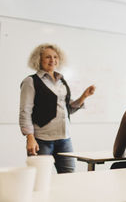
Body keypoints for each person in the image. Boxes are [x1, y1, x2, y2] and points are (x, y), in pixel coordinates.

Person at [19, 43, 95, 173]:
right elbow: (25, 111)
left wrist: (84, 97)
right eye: (48, 57)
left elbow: (67, 108)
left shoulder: (61, 80)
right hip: (42, 140)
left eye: (55, 57)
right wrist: (30, 138)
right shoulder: (31, 81)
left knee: (69, 177)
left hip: (64, 139)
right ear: (39, 59)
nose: (52, 60)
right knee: (40, 179)